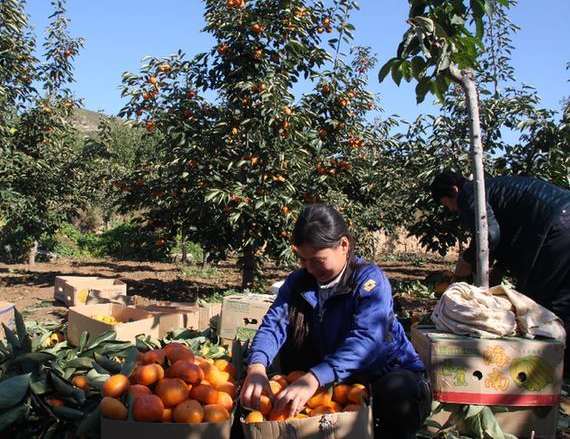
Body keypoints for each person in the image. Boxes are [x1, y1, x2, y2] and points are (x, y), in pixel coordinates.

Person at [240, 203, 431, 439]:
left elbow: (367, 339)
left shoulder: (368, 281)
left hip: (384, 375)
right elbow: (274, 324)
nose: (309, 268)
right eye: (303, 260)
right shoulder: (298, 283)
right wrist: (257, 366)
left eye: (317, 260)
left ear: (343, 245)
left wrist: (316, 377)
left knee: (396, 395)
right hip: (337, 384)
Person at [430, 172, 570, 323]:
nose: (451, 210)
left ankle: (544, 344)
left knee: (535, 307)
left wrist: (467, 260)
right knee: (562, 301)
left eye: (446, 204)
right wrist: (499, 268)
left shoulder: (470, 192)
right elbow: (507, 233)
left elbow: (489, 234)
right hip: (563, 218)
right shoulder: (490, 189)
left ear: (454, 189)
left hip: (555, 225)